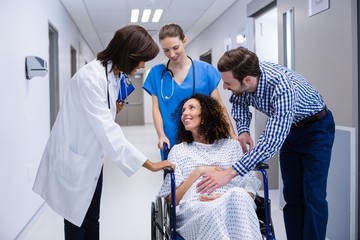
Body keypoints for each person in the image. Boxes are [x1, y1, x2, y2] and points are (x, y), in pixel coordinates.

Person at [32, 25, 174, 240]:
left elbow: (101, 115)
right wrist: (150, 164)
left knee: (91, 219)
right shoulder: (91, 77)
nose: (143, 64)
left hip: (91, 161)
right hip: (75, 160)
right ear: (129, 54)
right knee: (75, 221)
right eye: (142, 59)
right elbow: (109, 131)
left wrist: (112, 108)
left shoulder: (113, 75)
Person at [196, 47, 336, 240]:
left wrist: (229, 173)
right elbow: (238, 101)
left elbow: (270, 142)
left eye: (228, 83)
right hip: (291, 132)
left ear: (247, 80)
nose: (225, 88)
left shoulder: (282, 87)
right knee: (292, 195)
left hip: (316, 129)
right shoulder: (245, 79)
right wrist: (243, 130)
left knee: (314, 196)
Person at [158, 94, 262, 240]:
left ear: (206, 115)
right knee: (215, 209)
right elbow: (171, 199)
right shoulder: (179, 151)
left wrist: (226, 198)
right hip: (195, 207)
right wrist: (198, 172)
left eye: (191, 108)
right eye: (183, 111)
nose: (185, 113)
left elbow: (249, 184)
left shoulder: (232, 147)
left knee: (238, 195)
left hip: (234, 203)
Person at [142, 23, 236, 153]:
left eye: (175, 47)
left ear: (184, 41)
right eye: (166, 50)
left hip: (203, 139)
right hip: (171, 140)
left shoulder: (205, 70)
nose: (172, 54)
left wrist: (232, 135)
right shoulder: (156, 73)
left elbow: (219, 106)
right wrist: (161, 135)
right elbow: (156, 108)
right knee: (175, 172)